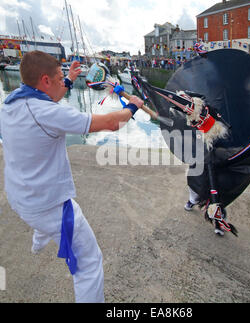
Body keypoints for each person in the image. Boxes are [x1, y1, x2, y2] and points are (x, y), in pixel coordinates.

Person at [0, 50, 144, 303]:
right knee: (89, 264)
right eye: (58, 78)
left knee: (42, 222)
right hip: (50, 206)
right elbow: (111, 123)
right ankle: (44, 234)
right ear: (44, 81)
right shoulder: (48, 113)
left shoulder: (10, 101)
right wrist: (133, 106)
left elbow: (47, 102)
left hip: (18, 196)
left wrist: (67, 80)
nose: (63, 82)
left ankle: (39, 240)